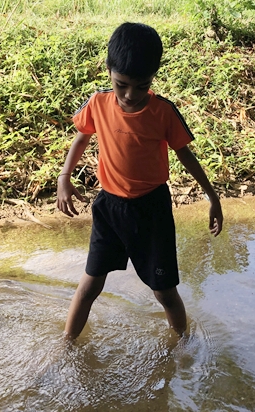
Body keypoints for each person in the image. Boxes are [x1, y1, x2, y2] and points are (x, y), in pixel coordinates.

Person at [56, 22, 223, 339]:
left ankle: (182, 344)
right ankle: (67, 344)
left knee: (164, 291)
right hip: (109, 208)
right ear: (108, 71)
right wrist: (64, 176)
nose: (130, 95)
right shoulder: (99, 103)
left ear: (153, 79)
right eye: (121, 85)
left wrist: (212, 198)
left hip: (151, 210)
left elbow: (186, 155)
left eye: (142, 86)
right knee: (90, 284)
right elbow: (81, 138)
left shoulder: (163, 112)